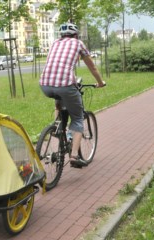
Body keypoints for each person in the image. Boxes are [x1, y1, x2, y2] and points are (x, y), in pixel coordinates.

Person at [39, 22, 106, 168]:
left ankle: (57, 126)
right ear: (75, 35)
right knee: (77, 119)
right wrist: (100, 82)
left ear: (61, 35)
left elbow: (58, 65)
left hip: (45, 85)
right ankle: (74, 155)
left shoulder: (54, 43)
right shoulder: (78, 43)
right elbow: (92, 67)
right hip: (65, 86)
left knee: (58, 98)